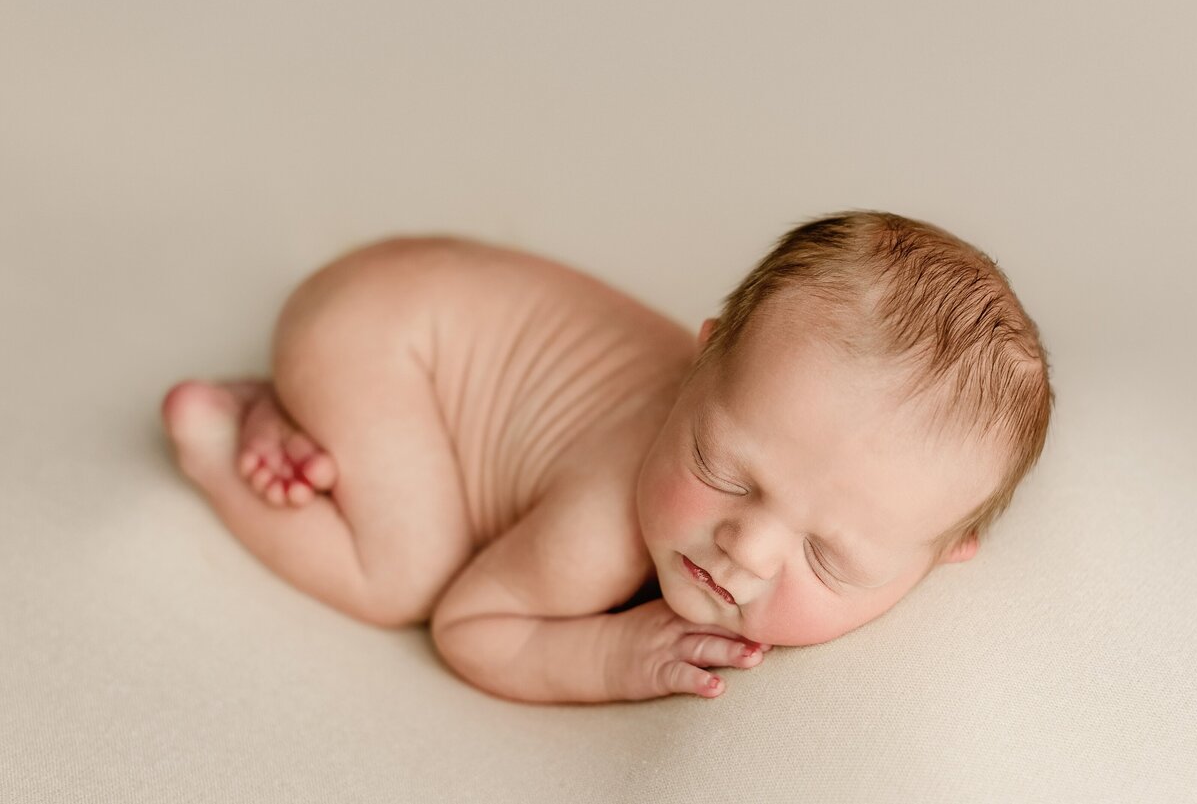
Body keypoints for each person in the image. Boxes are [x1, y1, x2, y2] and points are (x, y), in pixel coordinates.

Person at [160, 210, 1053, 704]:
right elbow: (471, 627)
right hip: (380, 339)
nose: (743, 548)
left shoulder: (767, 417)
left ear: (945, 552)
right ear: (702, 359)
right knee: (406, 575)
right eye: (723, 470)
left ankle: (311, 424)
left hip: (410, 293)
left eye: (828, 555)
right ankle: (221, 430)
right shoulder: (604, 521)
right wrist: (615, 655)